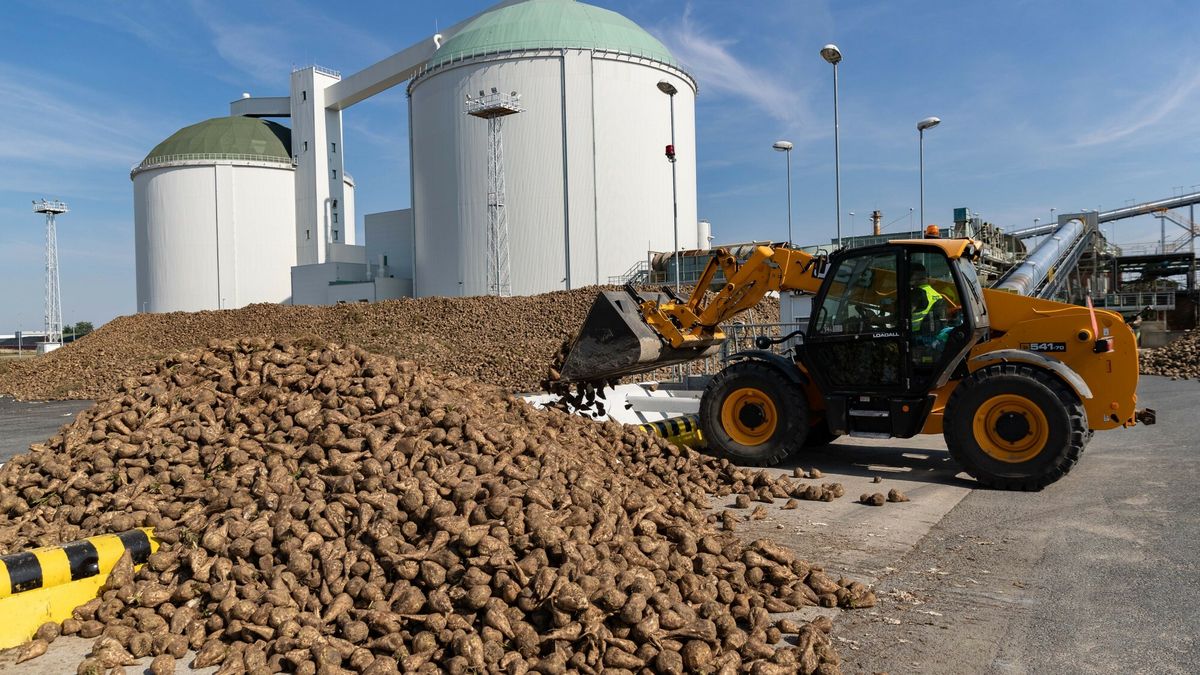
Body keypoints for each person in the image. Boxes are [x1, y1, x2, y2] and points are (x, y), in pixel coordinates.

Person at [909, 263, 947, 332]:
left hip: (915, 334)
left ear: (914, 276)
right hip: (933, 335)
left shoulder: (917, 293)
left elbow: (902, 315)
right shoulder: (936, 294)